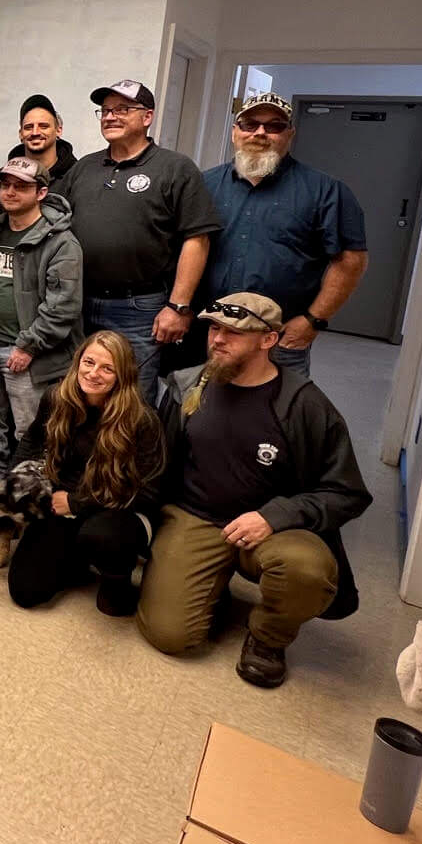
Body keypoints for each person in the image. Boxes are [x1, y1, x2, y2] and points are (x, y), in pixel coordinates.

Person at [137, 294, 371, 688]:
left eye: (234, 332)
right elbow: (158, 466)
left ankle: (268, 638)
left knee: (307, 570)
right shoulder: (188, 386)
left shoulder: (305, 406)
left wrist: (274, 516)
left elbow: (347, 492)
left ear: (269, 340)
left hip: (273, 529)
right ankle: (208, 586)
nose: (218, 340)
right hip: (195, 517)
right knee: (169, 636)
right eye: (214, 328)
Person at [53, 80, 219, 397]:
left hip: (139, 308)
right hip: (79, 303)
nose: (110, 117)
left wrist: (179, 306)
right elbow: (54, 225)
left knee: (131, 398)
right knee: (78, 391)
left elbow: (197, 238)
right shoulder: (85, 167)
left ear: (147, 117)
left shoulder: (175, 168)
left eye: (122, 109)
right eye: (105, 110)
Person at [198, 92, 369, 374]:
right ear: (234, 132)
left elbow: (351, 262)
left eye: (274, 126)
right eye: (250, 124)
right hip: (209, 332)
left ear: (289, 134)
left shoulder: (325, 192)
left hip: (279, 337)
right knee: (201, 409)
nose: (260, 133)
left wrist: (314, 320)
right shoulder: (205, 185)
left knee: (274, 414)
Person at [0, 158, 83, 496]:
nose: (9, 192)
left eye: (20, 186)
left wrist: (28, 345)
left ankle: (27, 502)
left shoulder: (62, 243)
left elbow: (63, 306)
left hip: (26, 354)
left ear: (41, 192)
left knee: (32, 433)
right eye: (5, 184)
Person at [0, 332, 164, 607]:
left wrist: (78, 503)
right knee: (25, 592)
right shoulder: (57, 396)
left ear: (122, 375)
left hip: (117, 508)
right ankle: (76, 558)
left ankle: (116, 579)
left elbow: (148, 490)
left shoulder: (141, 420)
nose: (93, 373)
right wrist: (18, 483)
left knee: (99, 536)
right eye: (88, 363)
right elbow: (32, 440)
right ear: (78, 362)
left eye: (107, 368)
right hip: (64, 499)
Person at [5, 94, 76, 178]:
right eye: (28, 127)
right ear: (21, 134)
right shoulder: (3, 179)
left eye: (43, 126)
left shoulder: (77, 177)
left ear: (58, 130)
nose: (35, 133)